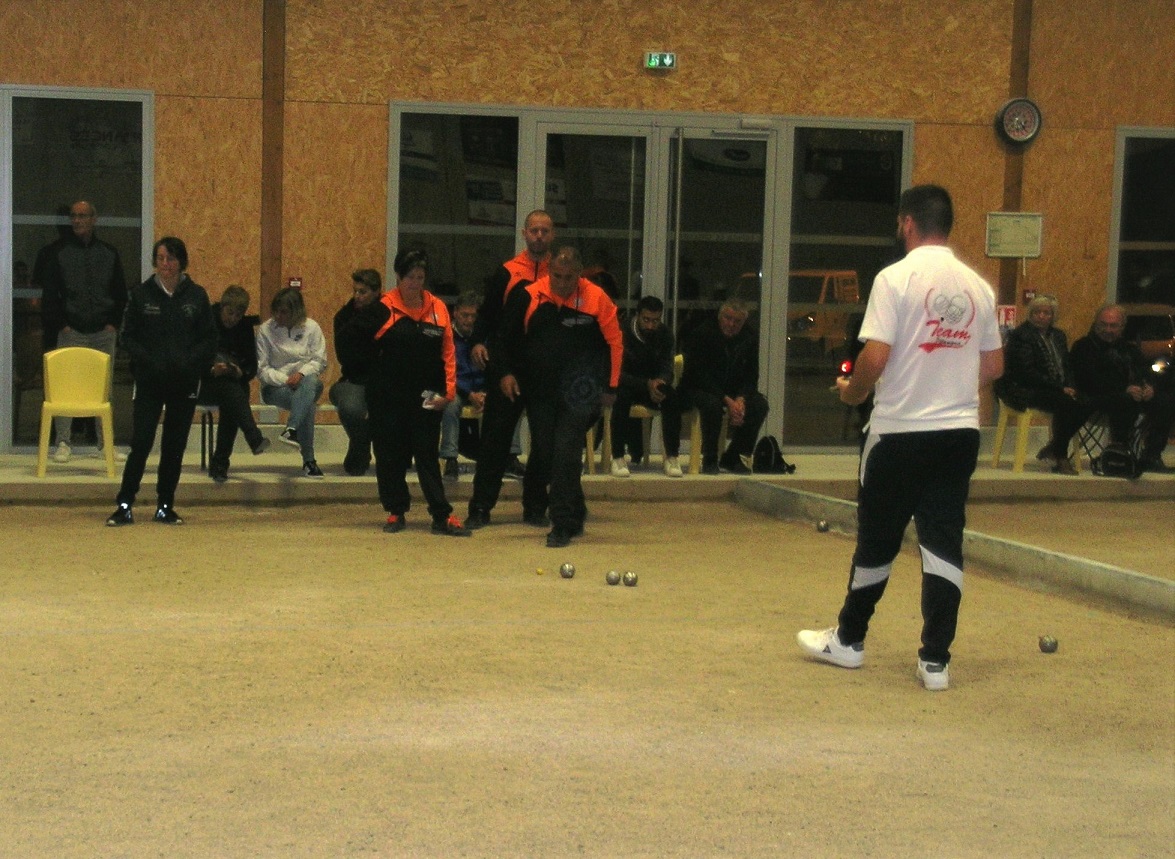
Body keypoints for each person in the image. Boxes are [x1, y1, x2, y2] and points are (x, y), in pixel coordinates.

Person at [797, 184, 1004, 691]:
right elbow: (994, 365)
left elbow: (875, 357)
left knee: (878, 539)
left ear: (908, 223)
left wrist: (853, 394)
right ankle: (936, 661)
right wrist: (947, 389)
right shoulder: (978, 286)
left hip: (899, 434)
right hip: (958, 435)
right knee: (943, 541)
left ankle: (849, 641)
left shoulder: (895, 278)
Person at [495, 246, 622, 548]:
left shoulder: (596, 299)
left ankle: (561, 523)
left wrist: (611, 387)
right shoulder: (530, 295)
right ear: (549, 270)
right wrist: (506, 373)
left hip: (582, 391)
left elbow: (615, 343)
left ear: (579, 275)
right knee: (548, 452)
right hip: (540, 391)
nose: (562, 283)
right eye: (557, 276)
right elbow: (506, 340)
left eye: (569, 278)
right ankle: (575, 508)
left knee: (566, 451)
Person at [340, 249, 470, 536]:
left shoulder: (437, 308)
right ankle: (395, 511)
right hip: (387, 397)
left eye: (420, 277)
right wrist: (364, 374)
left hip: (426, 396)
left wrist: (448, 393)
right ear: (398, 277)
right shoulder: (382, 308)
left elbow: (448, 352)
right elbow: (348, 340)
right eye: (410, 277)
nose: (415, 282)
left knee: (426, 454)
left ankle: (441, 514)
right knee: (389, 456)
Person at [105, 237, 215, 526]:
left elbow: (209, 339)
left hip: (184, 383)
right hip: (150, 383)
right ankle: (125, 505)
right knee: (141, 443)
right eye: (161, 258)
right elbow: (126, 336)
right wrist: (148, 359)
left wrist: (190, 362)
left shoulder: (197, 296)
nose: (165, 264)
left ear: (182, 262)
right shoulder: (141, 295)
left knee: (174, 446)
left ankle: (165, 505)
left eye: (171, 259)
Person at [465, 210, 555, 528]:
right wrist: (477, 341)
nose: (539, 236)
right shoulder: (507, 273)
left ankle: (535, 507)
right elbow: (489, 317)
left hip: (545, 373)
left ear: (552, 235)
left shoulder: (560, 275)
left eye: (545, 231)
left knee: (544, 443)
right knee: (494, 441)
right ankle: (480, 508)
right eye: (534, 230)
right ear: (524, 234)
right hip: (507, 368)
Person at [34, 200, 128, 463]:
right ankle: (63, 442)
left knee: (104, 388)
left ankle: (104, 444)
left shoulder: (109, 253)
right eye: (74, 216)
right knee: (66, 387)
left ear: (94, 219)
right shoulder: (59, 253)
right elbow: (50, 296)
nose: (77, 221)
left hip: (103, 331)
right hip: (71, 329)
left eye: (83, 216)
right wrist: (62, 325)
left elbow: (120, 294)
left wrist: (112, 323)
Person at [1069, 304, 1174, 473]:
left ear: (1122, 327)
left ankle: (1151, 456)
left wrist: (1148, 387)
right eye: (1104, 325)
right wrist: (1124, 389)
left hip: (1130, 396)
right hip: (1095, 398)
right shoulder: (1083, 347)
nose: (1108, 330)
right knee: (1125, 400)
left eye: (1113, 326)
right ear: (1096, 324)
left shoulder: (1129, 349)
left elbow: (1145, 371)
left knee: (1165, 400)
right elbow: (1087, 380)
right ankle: (1119, 452)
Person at [993, 294, 1089, 474]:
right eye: (1037, 312)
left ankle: (1053, 446)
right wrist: (1060, 388)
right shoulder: (1021, 335)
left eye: (1046, 313)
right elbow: (1026, 372)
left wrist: (1070, 386)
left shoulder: (1058, 335)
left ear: (1053, 315)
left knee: (1085, 403)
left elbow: (1066, 365)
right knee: (1065, 404)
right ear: (1030, 313)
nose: (1041, 316)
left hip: (1055, 388)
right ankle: (1060, 456)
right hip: (1023, 389)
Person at [679, 298, 769, 474]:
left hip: (733, 390)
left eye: (737, 321)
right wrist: (727, 400)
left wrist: (741, 399)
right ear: (720, 317)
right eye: (728, 318)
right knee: (712, 405)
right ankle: (710, 458)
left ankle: (733, 456)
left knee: (759, 405)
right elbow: (697, 374)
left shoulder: (749, 337)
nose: (731, 324)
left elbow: (751, 376)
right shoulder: (703, 333)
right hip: (699, 387)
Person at [198, 286, 272, 482]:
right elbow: (192, 360)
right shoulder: (205, 323)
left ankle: (222, 463)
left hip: (231, 384)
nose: (233, 319)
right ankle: (245, 443)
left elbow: (251, 365)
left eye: (238, 315)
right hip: (202, 383)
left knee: (233, 392)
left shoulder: (244, 328)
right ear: (222, 307)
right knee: (232, 393)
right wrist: (212, 369)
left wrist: (241, 372)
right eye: (230, 313)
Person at [609, 295, 686, 478]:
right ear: (637, 316)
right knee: (621, 398)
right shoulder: (622, 332)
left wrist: (661, 382)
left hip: (653, 385)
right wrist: (646, 384)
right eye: (646, 320)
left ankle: (672, 456)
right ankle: (618, 456)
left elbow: (668, 366)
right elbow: (616, 372)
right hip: (627, 384)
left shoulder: (665, 334)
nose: (650, 325)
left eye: (655, 321)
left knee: (672, 396)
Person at [256, 286, 328, 478]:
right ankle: (309, 461)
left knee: (310, 384)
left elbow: (319, 360)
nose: (278, 316)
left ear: (297, 311)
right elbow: (262, 369)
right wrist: (286, 379)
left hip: (307, 382)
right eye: (276, 311)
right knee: (307, 403)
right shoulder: (265, 331)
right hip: (276, 388)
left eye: (284, 312)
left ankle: (292, 428)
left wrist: (302, 374)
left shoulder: (311, 328)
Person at [330, 269, 383, 476]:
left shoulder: (387, 315)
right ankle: (361, 446)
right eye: (355, 291)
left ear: (376, 292)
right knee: (351, 407)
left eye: (363, 292)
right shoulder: (344, 318)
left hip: (383, 379)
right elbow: (346, 357)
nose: (357, 296)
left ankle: (395, 452)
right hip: (354, 379)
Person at [440, 291, 486, 482]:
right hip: (457, 389)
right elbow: (446, 376)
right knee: (450, 404)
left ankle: (509, 456)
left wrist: (486, 393)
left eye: (473, 316)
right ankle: (450, 458)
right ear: (455, 313)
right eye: (465, 315)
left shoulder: (484, 338)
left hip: (483, 390)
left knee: (510, 398)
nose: (469, 320)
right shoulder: (445, 337)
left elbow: (495, 368)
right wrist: (469, 394)